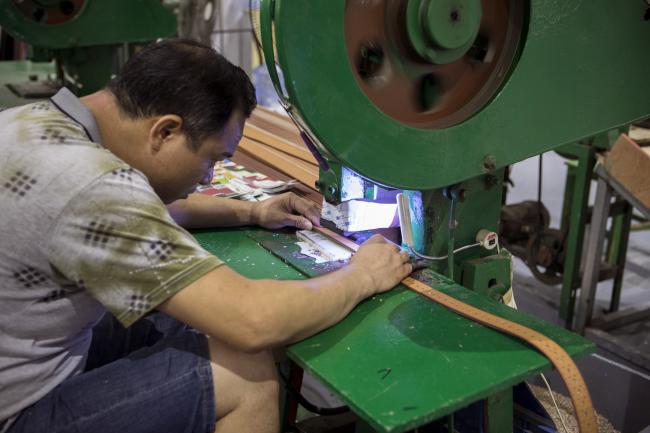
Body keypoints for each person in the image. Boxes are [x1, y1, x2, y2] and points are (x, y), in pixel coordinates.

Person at [0, 39, 412, 433]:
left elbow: (130, 215)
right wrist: (364, 276)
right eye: (213, 159)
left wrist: (252, 210)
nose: (209, 178)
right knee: (246, 373)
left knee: (175, 314)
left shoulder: (32, 123)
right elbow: (253, 319)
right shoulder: (93, 185)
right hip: (18, 413)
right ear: (165, 132)